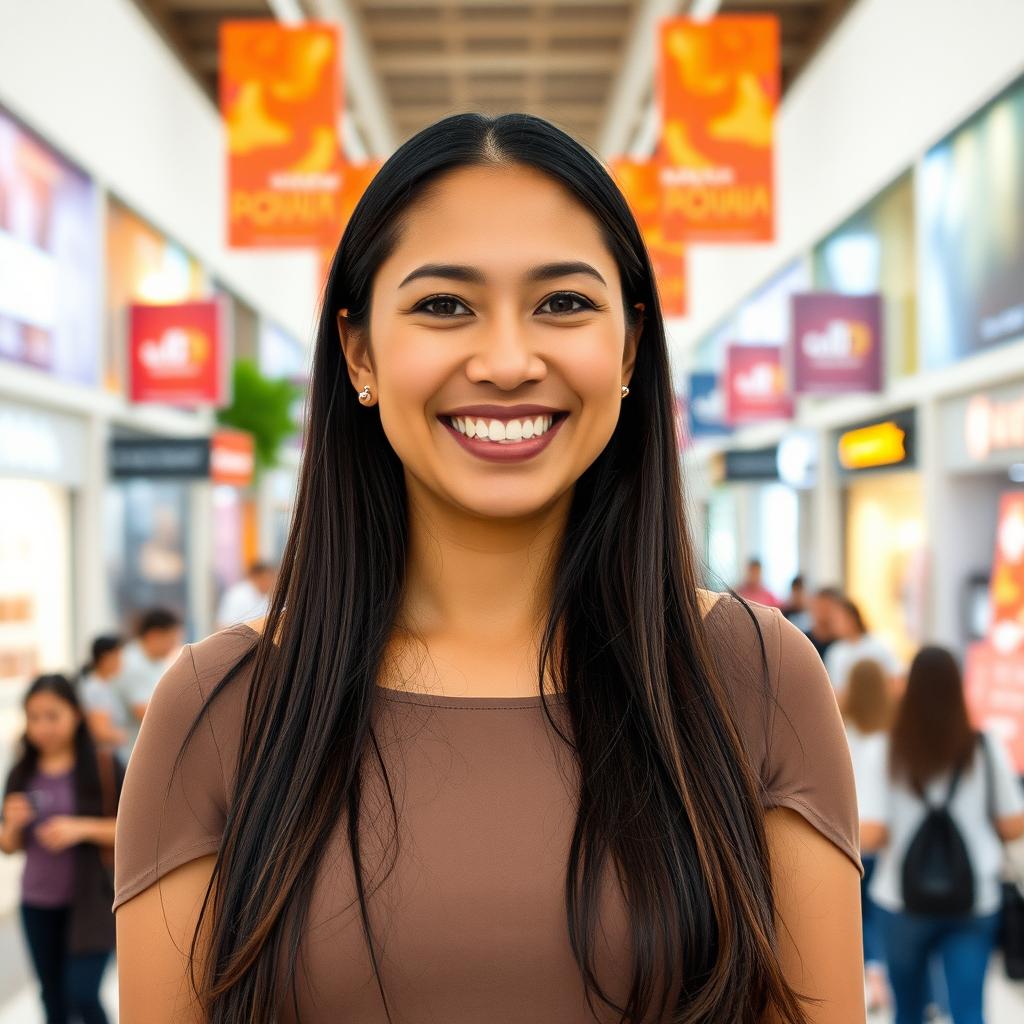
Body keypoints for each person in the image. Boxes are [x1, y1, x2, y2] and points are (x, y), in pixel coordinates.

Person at [113, 112, 865, 1023]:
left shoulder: (755, 676)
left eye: (563, 303)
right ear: (359, 353)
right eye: (443, 305)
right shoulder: (218, 707)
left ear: (629, 348)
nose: (508, 361)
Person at [860, 646, 1024, 1024]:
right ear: (957, 688)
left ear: (908, 688)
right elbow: (1013, 824)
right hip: (974, 899)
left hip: (901, 900)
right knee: (969, 1011)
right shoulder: (983, 746)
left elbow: (870, 834)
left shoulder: (885, 749)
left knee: (909, 1012)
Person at [0, 673, 125, 1024]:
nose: (42, 727)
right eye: (34, 717)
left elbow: (134, 830)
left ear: (76, 714)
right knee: (52, 997)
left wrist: (79, 827)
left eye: (52, 715)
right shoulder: (21, 771)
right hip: (37, 903)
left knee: (82, 993)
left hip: (92, 902)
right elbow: (8, 847)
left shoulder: (102, 766)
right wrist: (11, 826)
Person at [840, 658, 894, 1013]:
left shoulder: (839, 730)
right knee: (881, 916)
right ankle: (884, 982)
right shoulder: (892, 735)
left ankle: (871, 983)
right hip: (884, 838)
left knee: (859, 918)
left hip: (850, 832)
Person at [108, 608, 182, 767]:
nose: (175, 645)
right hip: (126, 756)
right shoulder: (132, 663)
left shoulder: (154, 661)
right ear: (154, 635)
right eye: (172, 639)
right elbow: (146, 712)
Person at [823, 595, 900, 697]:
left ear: (852, 618)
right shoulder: (835, 652)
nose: (834, 624)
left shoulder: (878, 644)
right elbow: (834, 691)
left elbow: (895, 679)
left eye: (838, 619)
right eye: (833, 620)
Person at [77, 635, 129, 756]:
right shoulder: (95, 688)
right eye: (118, 657)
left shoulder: (104, 684)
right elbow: (101, 732)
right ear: (105, 658)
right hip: (104, 757)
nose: (121, 662)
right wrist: (128, 736)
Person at [214, 561, 277, 630]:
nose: (270, 583)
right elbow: (223, 624)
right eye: (266, 579)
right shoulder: (237, 595)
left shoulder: (267, 597)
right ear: (256, 577)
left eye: (271, 579)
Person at [806, 585, 842, 662]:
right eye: (818, 607)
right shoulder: (803, 640)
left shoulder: (842, 643)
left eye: (826, 608)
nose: (821, 612)